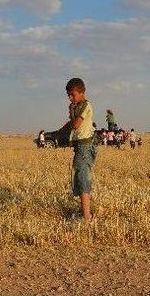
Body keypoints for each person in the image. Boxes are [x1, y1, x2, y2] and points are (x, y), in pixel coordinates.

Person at [60, 77, 96, 222]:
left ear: (82, 92)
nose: (70, 98)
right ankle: (85, 212)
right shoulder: (77, 106)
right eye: (68, 95)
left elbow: (75, 125)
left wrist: (72, 111)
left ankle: (87, 217)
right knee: (80, 179)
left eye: (73, 95)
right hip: (80, 147)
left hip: (85, 147)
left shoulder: (86, 106)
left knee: (83, 181)